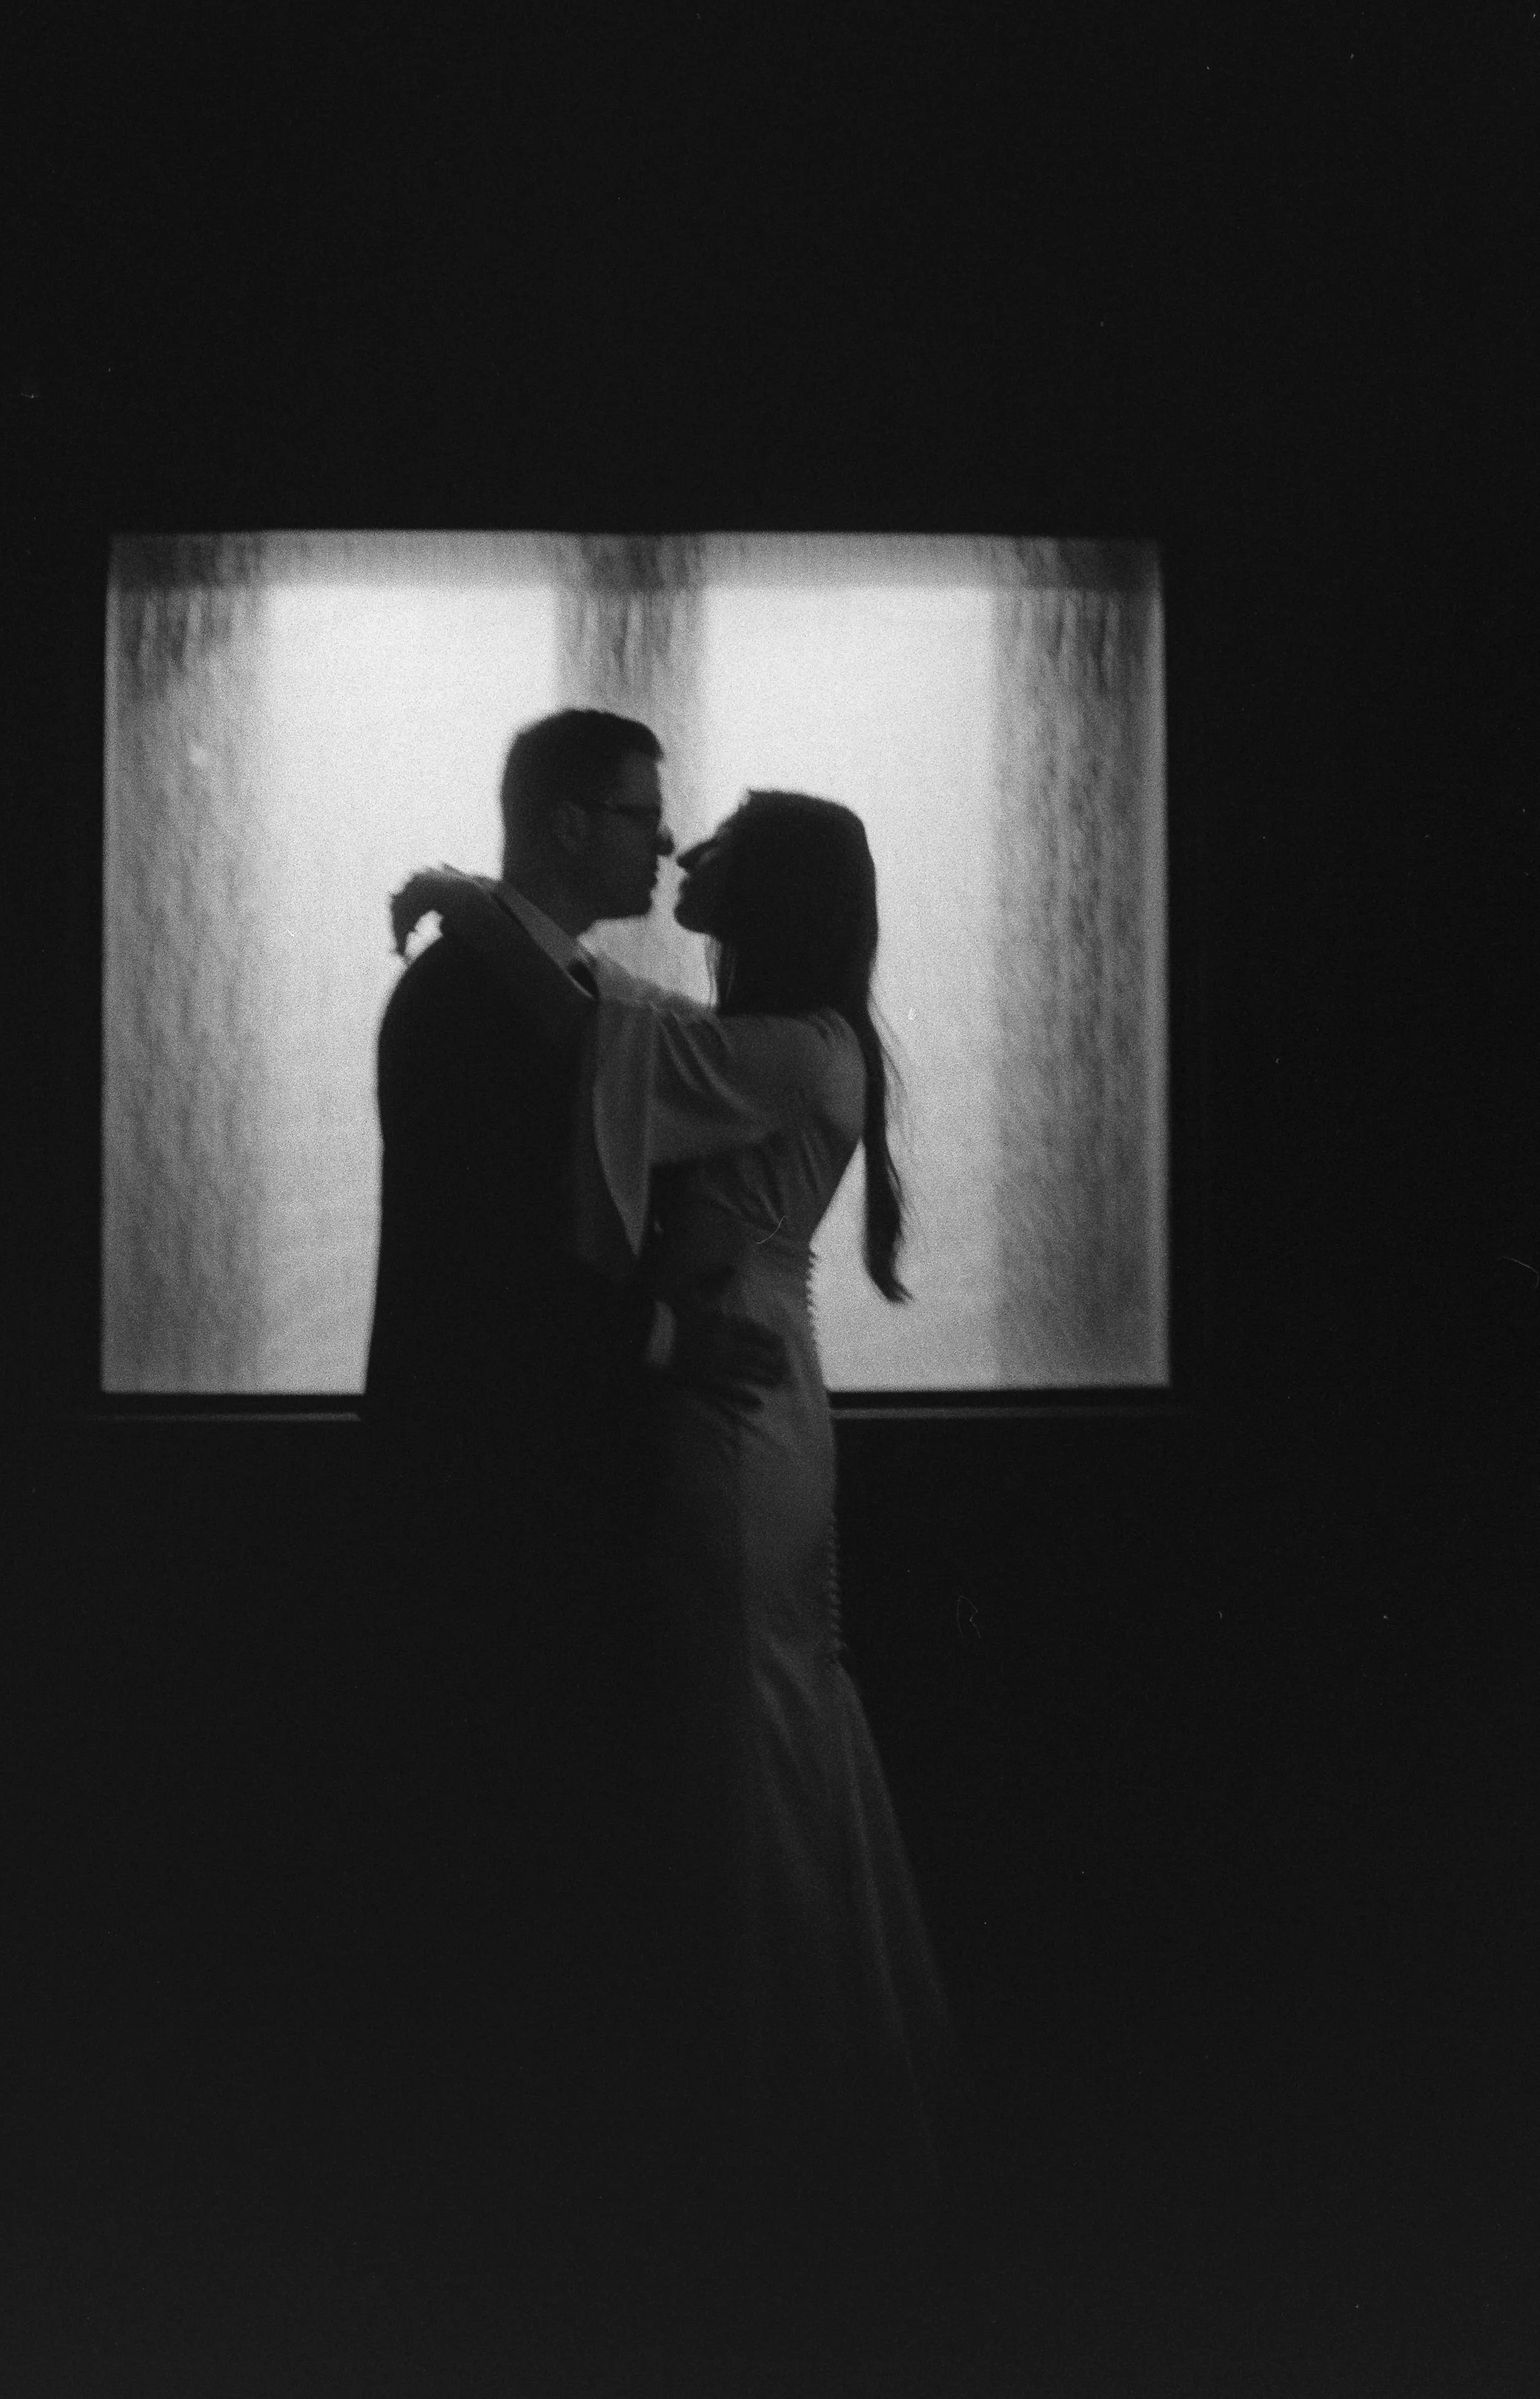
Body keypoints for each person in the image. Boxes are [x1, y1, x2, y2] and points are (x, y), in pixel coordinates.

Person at [389, 791, 977, 2379]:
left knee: (739, 1724)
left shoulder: (790, 1049)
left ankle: (758, 2122)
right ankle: (783, 2107)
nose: (683, 857)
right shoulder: (799, 1042)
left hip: (729, 1420)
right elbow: (610, 1023)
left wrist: (471, 899)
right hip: (748, 1397)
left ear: (764, 889)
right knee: (764, 1715)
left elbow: (591, 1040)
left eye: (712, 843)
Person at [359, 710, 788, 2238]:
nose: (658, 845)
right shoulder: (472, 1004)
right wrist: (666, 1337)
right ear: (559, 828)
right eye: (633, 816)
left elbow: (593, 1038)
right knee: (518, 1830)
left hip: (530, 1476)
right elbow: (485, 1277)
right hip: (500, 1486)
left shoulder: (518, 989)